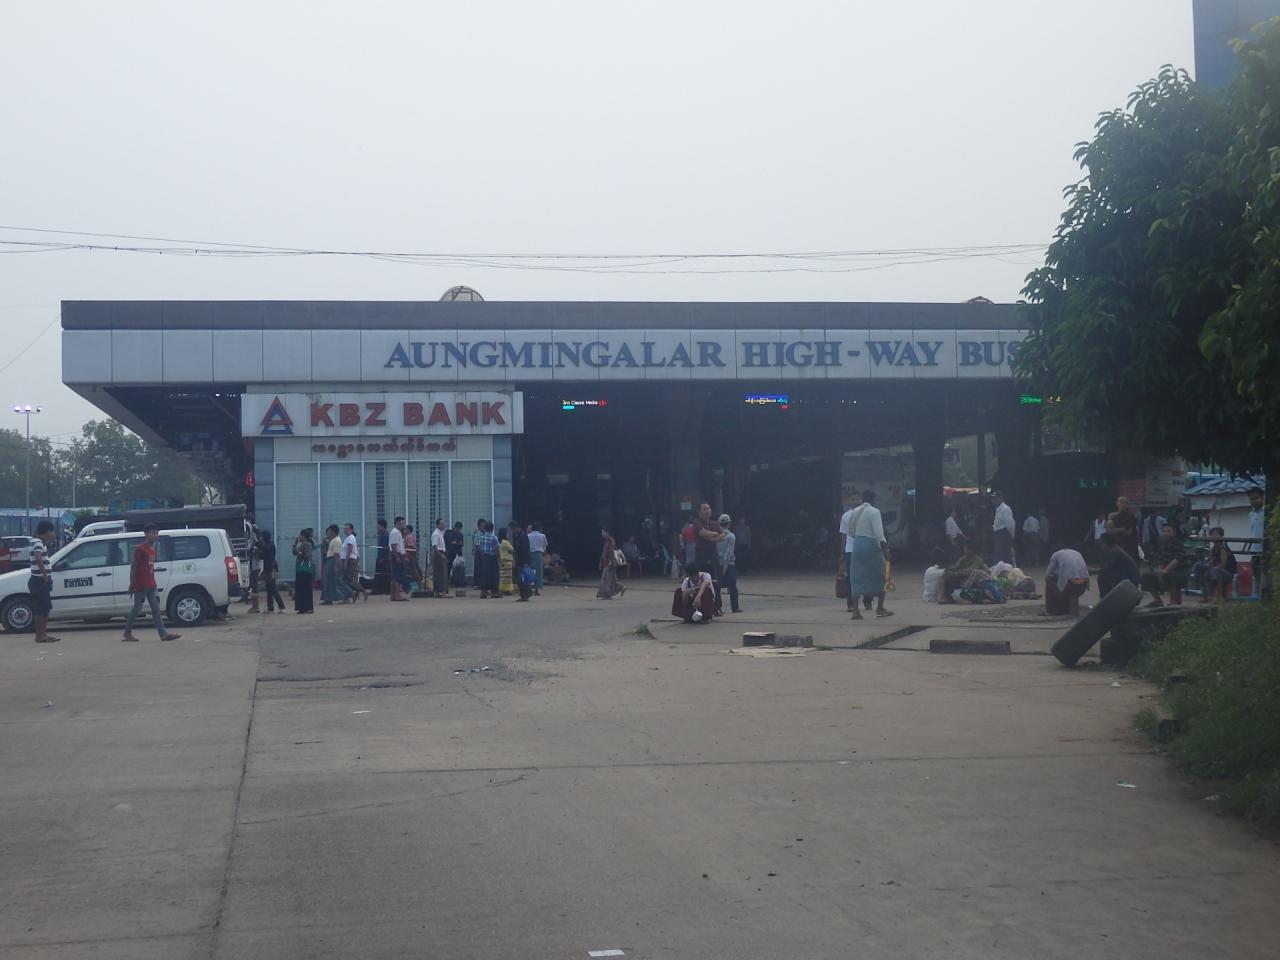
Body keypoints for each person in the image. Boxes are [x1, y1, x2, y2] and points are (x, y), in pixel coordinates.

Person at [122, 524, 182, 641]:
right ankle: (127, 633)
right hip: (141, 584)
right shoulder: (140, 549)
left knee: (155, 609)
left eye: (156, 533)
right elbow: (134, 567)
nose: (155, 535)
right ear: (146, 534)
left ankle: (163, 634)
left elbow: (150, 567)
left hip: (151, 584)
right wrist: (132, 584)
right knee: (137, 608)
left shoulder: (153, 549)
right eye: (152, 533)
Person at [848, 489, 892, 619]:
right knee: (881, 575)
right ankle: (880, 608)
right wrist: (886, 551)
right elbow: (879, 534)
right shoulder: (874, 511)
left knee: (856, 576)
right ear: (874, 499)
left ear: (862, 499)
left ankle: (856, 611)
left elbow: (851, 531)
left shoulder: (855, 511)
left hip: (857, 544)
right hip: (871, 545)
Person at [1141, 525, 1188, 607]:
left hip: (1178, 571)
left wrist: (1166, 570)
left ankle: (1174, 601)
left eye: (1169, 531)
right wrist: (1157, 568)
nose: (1166, 533)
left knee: (1170, 575)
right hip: (1163, 570)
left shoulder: (1178, 544)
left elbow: (1178, 559)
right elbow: (1158, 559)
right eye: (1165, 531)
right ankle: (1157, 600)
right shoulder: (1162, 545)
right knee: (1145, 576)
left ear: (1174, 533)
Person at [29, 520, 59, 643]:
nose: (53, 534)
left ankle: (43, 634)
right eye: (52, 531)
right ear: (47, 532)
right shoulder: (38, 542)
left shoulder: (40, 542)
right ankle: (40, 636)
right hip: (40, 580)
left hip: (41, 580)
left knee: (45, 608)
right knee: (41, 609)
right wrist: (45, 575)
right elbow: (38, 557)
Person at [1043, 542, 1090, 616]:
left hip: (1071, 587)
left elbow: (1048, 573)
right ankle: (1067, 608)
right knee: (1066, 582)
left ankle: (1050, 610)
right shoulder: (1076, 552)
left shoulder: (1056, 554)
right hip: (1082, 586)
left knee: (1048, 579)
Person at [1200, 526, 1238, 602]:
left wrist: (1213, 569)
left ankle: (1220, 597)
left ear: (1221, 536)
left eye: (1215, 535)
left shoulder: (1223, 547)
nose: (1213, 536)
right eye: (1212, 535)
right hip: (1217, 571)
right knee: (1203, 571)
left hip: (1228, 573)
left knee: (1216, 570)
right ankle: (1207, 596)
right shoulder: (1213, 548)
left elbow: (1223, 564)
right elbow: (1211, 562)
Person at [1096, 532, 1140, 597]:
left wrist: (1094, 571)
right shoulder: (1116, 549)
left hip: (1130, 580)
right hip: (1129, 578)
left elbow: (1107, 569)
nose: (1100, 545)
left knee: (1102, 578)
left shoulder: (1114, 551)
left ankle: (1106, 599)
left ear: (1106, 542)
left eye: (1101, 543)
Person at [321, 524, 351, 605]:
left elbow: (336, 555)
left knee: (331, 581)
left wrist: (336, 566)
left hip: (332, 561)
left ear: (333, 531)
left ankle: (348, 594)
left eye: (329, 531)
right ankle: (328, 598)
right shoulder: (333, 540)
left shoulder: (336, 540)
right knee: (330, 581)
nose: (328, 532)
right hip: (329, 560)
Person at [717, 513, 741, 613]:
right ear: (729, 524)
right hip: (730, 564)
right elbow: (730, 551)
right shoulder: (731, 536)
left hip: (718, 563)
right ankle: (735, 607)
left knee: (717, 586)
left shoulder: (716, 535)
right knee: (733, 586)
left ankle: (718, 607)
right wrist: (726, 564)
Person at [257, 530, 286, 613]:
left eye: (262, 536)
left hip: (271, 570)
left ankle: (282, 607)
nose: (261, 538)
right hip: (267, 569)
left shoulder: (270, 545)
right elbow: (263, 555)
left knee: (273, 589)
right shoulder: (268, 545)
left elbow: (265, 549)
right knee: (269, 589)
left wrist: (259, 543)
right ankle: (270, 608)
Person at [1107, 496, 1140, 565]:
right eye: (1120, 502)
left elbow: (1129, 532)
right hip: (1117, 544)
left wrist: (1115, 530)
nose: (1122, 504)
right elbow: (1109, 531)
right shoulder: (1112, 516)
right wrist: (1122, 529)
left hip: (1129, 545)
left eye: (1124, 502)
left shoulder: (1130, 516)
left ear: (1127, 505)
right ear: (1116, 503)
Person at [340, 524, 366, 601]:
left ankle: (362, 590)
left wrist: (346, 561)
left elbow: (349, 550)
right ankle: (347, 597)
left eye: (347, 529)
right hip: (347, 559)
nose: (345, 530)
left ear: (351, 530)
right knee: (346, 579)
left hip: (350, 560)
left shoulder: (351, 537)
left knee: (350, 579)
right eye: (344, 529)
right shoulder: (347, 538)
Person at [1247, 486, 1265, 597]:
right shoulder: (1251, 514)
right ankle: (1259, 597)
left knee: (1266, 574)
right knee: (1257, 574)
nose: (1254, 501)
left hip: (1266, 549)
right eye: (1251, 499)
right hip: (1255, 550)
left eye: (1256, 498)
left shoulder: (1267, 512)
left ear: (1262, 498)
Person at [597, 527, 624, 599]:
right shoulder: (607, 541)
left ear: (607, 532)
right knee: (611, 579)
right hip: (606, 562)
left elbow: (612, 552)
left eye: (603, 532)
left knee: (606, 579)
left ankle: (607, 594)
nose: (602, 534)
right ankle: (620, 587)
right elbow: (604, 552)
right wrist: (601, 562)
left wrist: (611, 562)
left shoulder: (611, 541)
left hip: (610, 562)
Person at [293, 528, 316, 613]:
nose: (299, 537)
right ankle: (302, 607)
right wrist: (295, 545)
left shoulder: (308, 544)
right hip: (300, 568)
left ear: (304, 536)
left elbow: (307, 555)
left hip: (305, 568)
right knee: (300, 588)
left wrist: (299, 553)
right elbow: (295, 553)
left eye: (300, 535)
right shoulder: (301, 545)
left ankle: (308, 607)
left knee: (306, 588)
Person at [990, 490, 1015, 565]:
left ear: (1000, 499)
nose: (993, 500)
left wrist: (1011, 536)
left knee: (1004, 556)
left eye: (995, 498)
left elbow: (1010, 524)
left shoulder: (1005, 509)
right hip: (998, 534)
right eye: (992, 498)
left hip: (1003, 534)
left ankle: (1010, 569)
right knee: (1000, 556)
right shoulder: (998, 509)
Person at [477, 521, 500, 598]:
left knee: (485, 574)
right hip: (492, 558)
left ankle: (483, 592)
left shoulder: (482, 537)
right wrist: (499, 559)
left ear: (485, 528)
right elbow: (497, 549)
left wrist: (483, 556)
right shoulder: (494, 537)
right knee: (494, 575)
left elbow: (480, 548)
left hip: (484, 557)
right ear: (492, 529)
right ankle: (494, 592)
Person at [512, 521, 534, 601]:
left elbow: (525, 550)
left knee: (522, 578)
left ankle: (526, 594)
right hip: (519, 561)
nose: (512, 531)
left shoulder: (523, 536)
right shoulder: (518, 536)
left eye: (513, 529)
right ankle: (524, 594)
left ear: (517, 527)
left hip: (522, 561)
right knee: (518, 578)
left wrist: (525, 562)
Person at [387, 517, 407, 601]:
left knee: (395, 576)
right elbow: (393, 545)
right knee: (397, 576)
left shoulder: (397, 532)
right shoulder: (395, 532)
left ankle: (393, 595)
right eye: (402, 523)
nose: (403, 525)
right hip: (397, 554)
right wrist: (396, 556)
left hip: (398, 554)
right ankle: (397, 595)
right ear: (397, 523)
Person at [430, 517, 450, 598]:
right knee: (441, 574)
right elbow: (435, 547)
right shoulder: (435, 534)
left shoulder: (440, 533)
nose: (444, 525)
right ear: (438, 525)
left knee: (440, 573)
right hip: (438, 554)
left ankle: (439, 592)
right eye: (442, 524)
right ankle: (441, 592)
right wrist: (441, 555)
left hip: (441, 553)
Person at [374, 519, 390, 595]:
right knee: (379, 574)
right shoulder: (382, 535)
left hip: (384, 558)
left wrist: (383, 558)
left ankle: (387, 589)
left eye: (378, 526)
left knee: (385, 574)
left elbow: (386, 548)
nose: (377, 528)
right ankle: (379, 589)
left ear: (382, 526)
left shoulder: (386, 535)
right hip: (380, 557)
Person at [497, 527, 515, 596]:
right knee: (508, 578)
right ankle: (507, 590)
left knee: (503, 577)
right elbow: (512, 549)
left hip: (502, 561)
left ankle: (503, 589)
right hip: (507, 561)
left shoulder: (500, 541)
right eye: (507, 533)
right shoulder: (505, 542)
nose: (508, 534)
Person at [403, 524, 420, 594]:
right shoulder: (408, 537)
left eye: (405, 529)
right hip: (410, 557)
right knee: (411, 572)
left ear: (408, 530)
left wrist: (409, 557)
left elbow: (412, 547)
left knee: (413, 572)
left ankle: (418, 586)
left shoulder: (409, 537)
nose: (404, 530)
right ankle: (412, 587)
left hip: (410, 557)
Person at [472, 518, 488, 588]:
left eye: (484, 526)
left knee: (484, 569)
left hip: (485, 553)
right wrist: (482, 554)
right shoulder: (477, 535)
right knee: (478, 569)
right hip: (479, 554)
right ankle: (477, 584)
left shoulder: (486, 534)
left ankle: (483, 583)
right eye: (482, 526)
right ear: (478, 526)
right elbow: (477, 546)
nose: (483, 527)